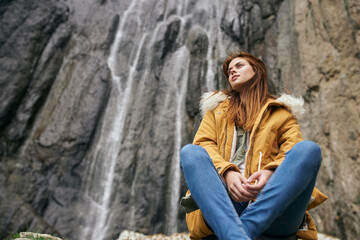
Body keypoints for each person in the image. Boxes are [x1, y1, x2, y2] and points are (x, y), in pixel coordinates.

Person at [180, 50, 327, 240]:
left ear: (257, 70)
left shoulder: (282, 113)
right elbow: (204, 143)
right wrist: (227, 172)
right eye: (229, 70)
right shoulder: (215, 112)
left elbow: (292, 151)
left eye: (239, 66)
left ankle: (238, 234)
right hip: (226, 205)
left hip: (275, 208)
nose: (232, 71)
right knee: (191, 152)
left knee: (309, 150)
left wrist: (271, 173)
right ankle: (237, 234)